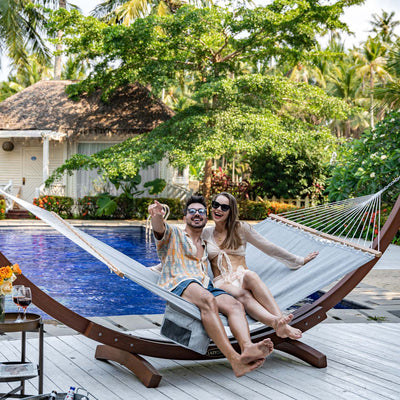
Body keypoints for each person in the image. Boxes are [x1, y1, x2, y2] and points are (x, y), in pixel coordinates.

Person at [148, 196, 273, 378]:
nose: (196, 214)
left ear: (206, 218)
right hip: (180, 281)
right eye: (192, 211)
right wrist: (157, 216)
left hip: (205, 285)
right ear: (185, 218)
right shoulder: (174, 234)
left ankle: (247, 348)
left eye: (201, 211)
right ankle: (234, 360)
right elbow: (159, 229)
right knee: (208, 301)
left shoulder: (206, 244)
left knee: (236, 305)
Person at [202, 192, 319, 340]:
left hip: (242, 274)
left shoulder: (241, 228)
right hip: (222, 281)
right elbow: (188, 252)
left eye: (224, 207)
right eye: (215, 205)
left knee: (251, 275)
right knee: (242, 295)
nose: (218, 209)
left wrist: (299, 260)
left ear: (231, 211)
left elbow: (268, 247)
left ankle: (281, 321)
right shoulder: (205, 234)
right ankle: (277, 324)